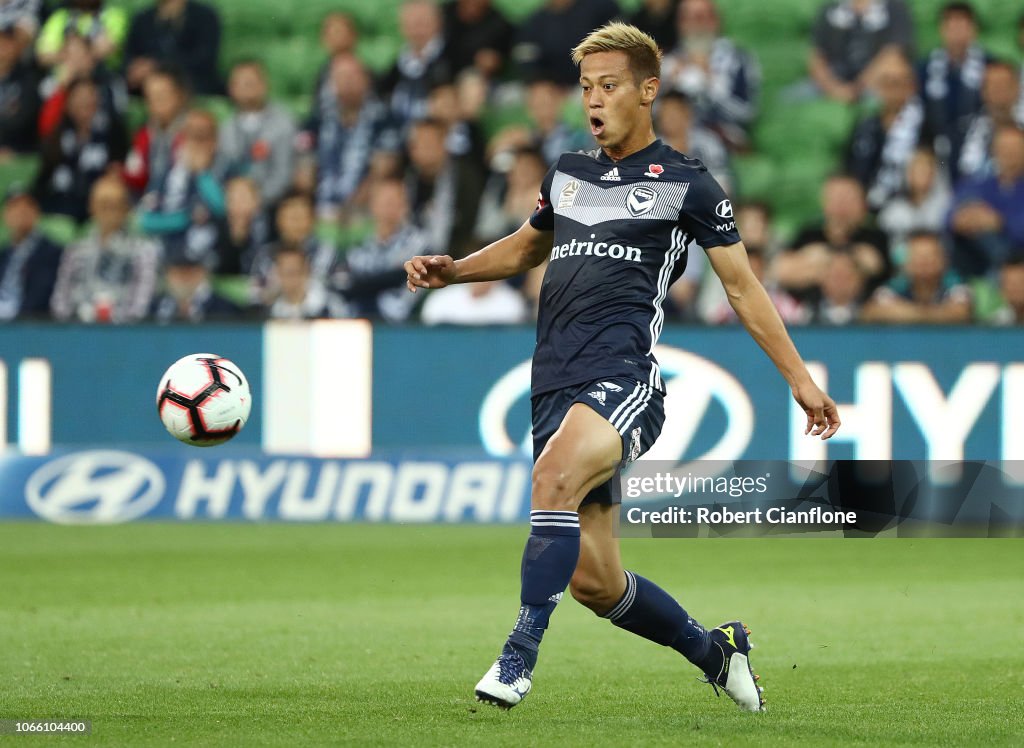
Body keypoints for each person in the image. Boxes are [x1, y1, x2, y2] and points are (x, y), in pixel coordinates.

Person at [404, 22, 839, 713]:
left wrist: (799, 378)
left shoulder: (689, 185)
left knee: (552, 478)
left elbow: (743, 288)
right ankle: (715, 650)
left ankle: (518, 657)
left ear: (648, 90)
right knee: (595, 583)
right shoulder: (568, 175)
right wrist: (456, 270)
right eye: (586, 88)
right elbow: (525, 247)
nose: (594, 100)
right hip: (552, 383)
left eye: (608, 86)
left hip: (624, 380)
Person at [50, 175, 159, 322]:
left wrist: (111, 319)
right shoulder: (75, 251)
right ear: (91, 206)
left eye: (115, 205)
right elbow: (60, 300)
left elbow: (141, 303)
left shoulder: (144, 251)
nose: (108, 212)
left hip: (124, 333)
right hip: (77, 332)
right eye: (103, 204)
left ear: (126, 208)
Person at [660, 0, 760, 149]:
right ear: (680, 24)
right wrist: (667, 88)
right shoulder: (667, 63)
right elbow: (651, 115)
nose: (697, 25)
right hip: (675, 144)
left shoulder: (738, 60)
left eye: (702, 17)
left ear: (716, 21)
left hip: (724, 142)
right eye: (689, 18)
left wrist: (708, 86)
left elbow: (748, 113)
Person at [33, 75, 127, 223]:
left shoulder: (113, 130)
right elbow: (43, 179)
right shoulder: (57, 135)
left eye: (90, 95)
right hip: (60, 203)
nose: (85, 101)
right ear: (67, 103)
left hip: (95, 206)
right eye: (78, 96)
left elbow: (119, 168)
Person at [844, 49, 930, 211]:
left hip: (911, 207)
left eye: (898, 83)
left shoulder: (926, 124)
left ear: (912, 86)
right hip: (867, 206)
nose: (893, 90)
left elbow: (940, 164)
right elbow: (849, 168)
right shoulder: (864, 125)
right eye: (886, 83)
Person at [919, 2, 990, 177]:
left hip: (980, 143)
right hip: (938, 148)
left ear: (974, 30)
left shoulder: (991, 67)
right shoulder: (925, 69)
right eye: (951, 26)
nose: (957, 33)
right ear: (941, 30)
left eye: (963, 26)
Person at [948, 125, 1024, 278]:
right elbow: (947, 216)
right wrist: (960, 218)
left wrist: (1000, 221)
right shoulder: (979, 183)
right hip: (975, 259)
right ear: (994, 151)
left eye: (1015, 148)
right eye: (1004, 148)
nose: (1010, 153)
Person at [218, 60, 296, 209]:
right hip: (233, 206)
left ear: (264, 85)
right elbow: (222, 171)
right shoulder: (225, 128)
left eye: (251, 82)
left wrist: (257, 200)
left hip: (273, 205)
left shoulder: (284, 124)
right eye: (240, 83)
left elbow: (283, 174)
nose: (246, 87)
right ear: (231, 89)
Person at [808, 0, 914, 103]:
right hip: (834, 81)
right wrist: (834, 89)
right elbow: (817, 57)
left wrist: (858, 88)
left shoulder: (894, 7)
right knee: (798, 97)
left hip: (877, 82)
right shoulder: (830, 8)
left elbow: (893, 54)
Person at [861, 230, 971, 323]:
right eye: (917, 256)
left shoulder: (955, 285)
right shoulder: (895, 286)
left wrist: (904, 312)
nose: (924, 262)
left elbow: (959, 313)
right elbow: (872, 312)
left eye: (930, 256)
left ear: (943, 260)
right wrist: (932, 314)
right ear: (905, 262)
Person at [122, 0, 221, 95]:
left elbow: (203, 59)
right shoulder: (142, 19)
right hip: (144, 85)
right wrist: (136, 70)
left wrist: (156, 66)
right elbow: (129, 56)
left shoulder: (204, 16)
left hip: (191, 83)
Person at [0, 188, 62, 320]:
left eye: (27, 206)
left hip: (26, 325)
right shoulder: (4, 254)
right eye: (14, 207)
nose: (20, 212)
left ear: (36, 212)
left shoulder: (49, 252)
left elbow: (40, 296)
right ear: (5, 215)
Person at [264, 246, 348, 320]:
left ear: (307, 271)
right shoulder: (271, 311)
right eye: (285, 273)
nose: (291, 279)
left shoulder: (330, 306)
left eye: (296, 271)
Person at [0, 26, 38, 155]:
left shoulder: (28, 78)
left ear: (17, 48)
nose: (2, 50)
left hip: (19, 149)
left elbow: (24, 118)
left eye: (7, 44)